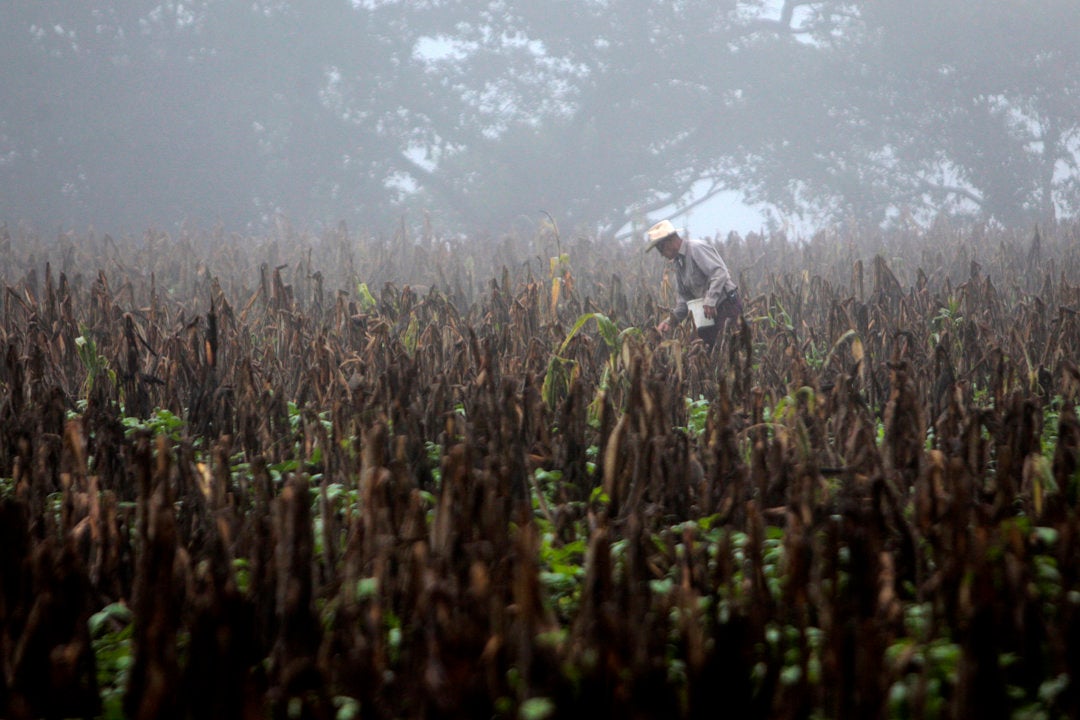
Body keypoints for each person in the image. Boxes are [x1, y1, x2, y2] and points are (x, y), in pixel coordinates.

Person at [646, 219, 741, 348]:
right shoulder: (679, 263)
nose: (661, 254)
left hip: (726, 307)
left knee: (726, 350)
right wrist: (670, 322)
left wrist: (710, 300)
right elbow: (685, 300)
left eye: (660, 249)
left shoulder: (696, 248)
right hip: (707, 314)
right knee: (696, 349)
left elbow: (720, 272)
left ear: (669, 241)